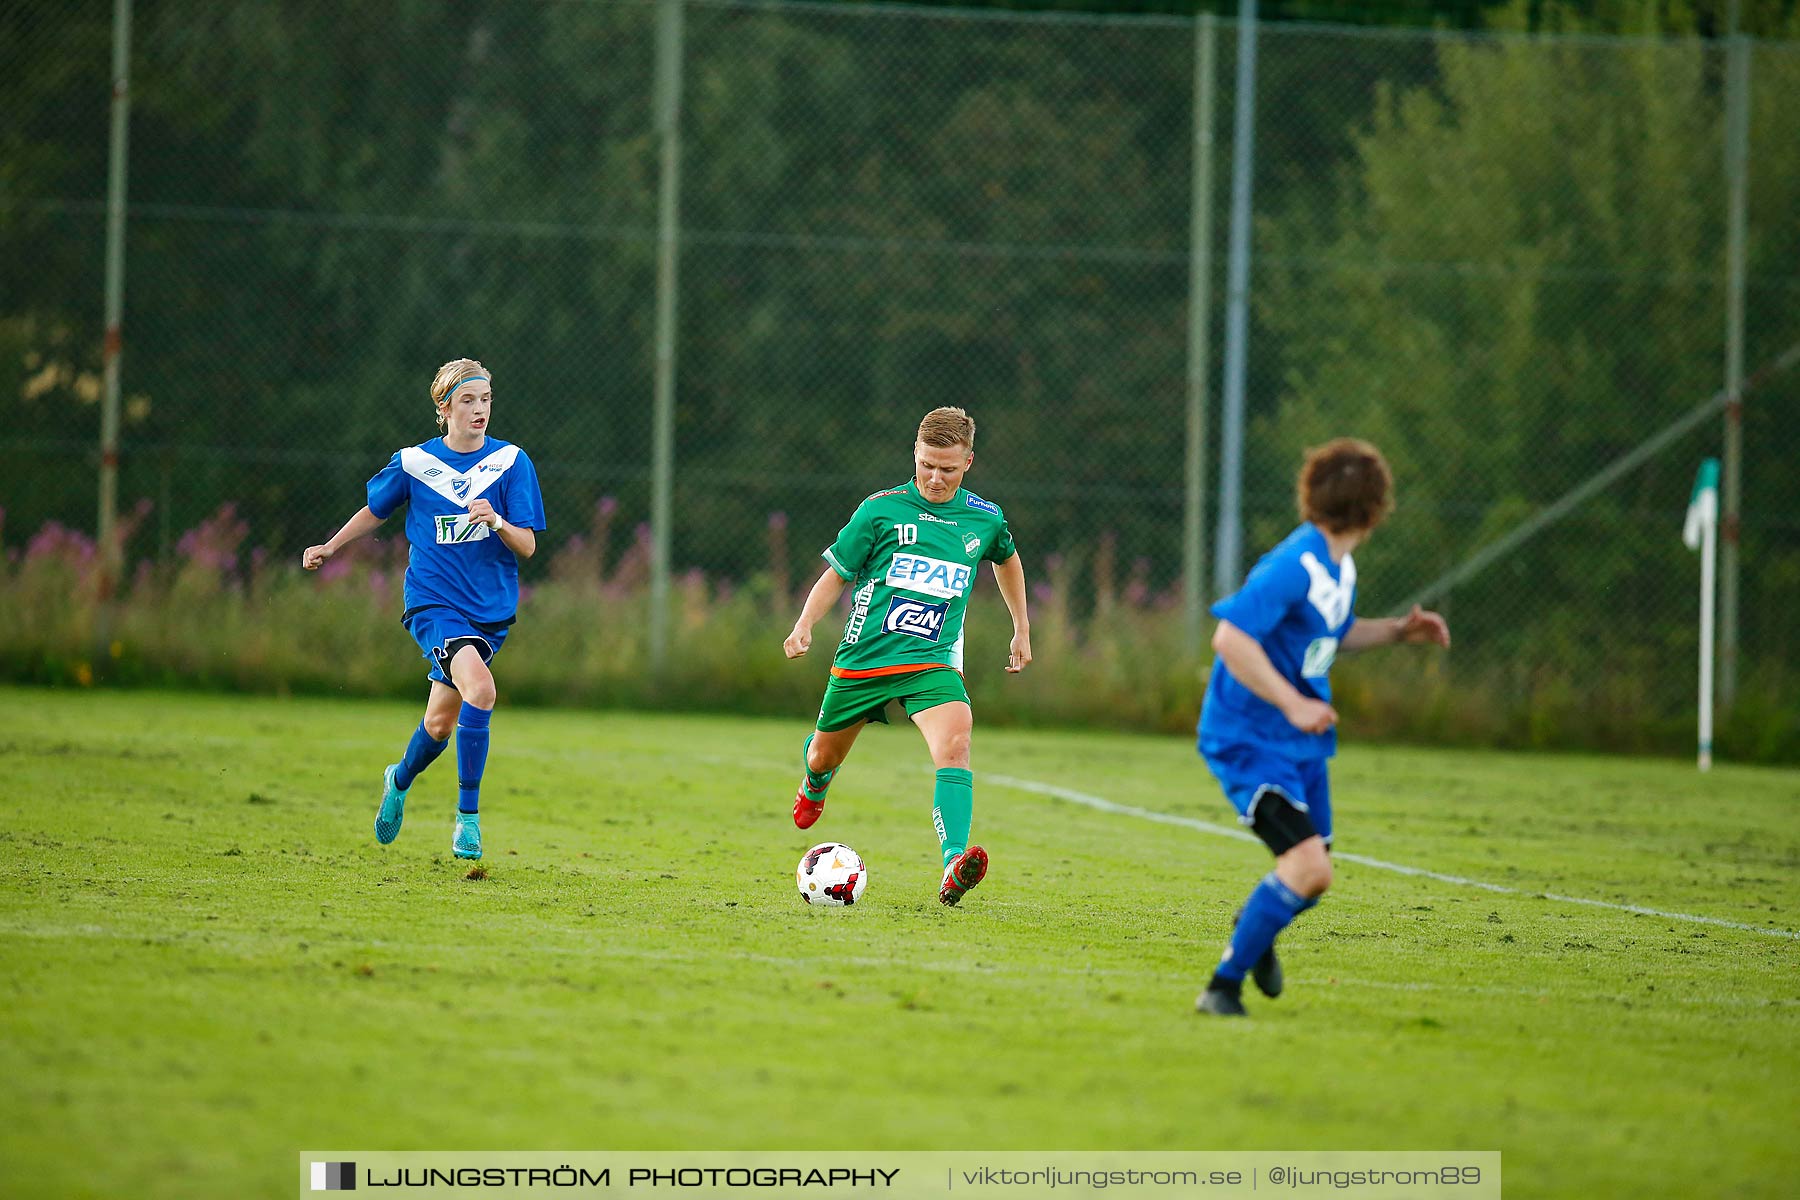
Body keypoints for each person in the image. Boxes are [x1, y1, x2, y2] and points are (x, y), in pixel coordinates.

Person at [1194, 438, 1449, 1016]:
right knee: (1309, 869)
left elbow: (1329, 633)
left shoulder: (1336, 564)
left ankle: (1254, 925)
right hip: (1248, 739)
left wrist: (1394, 633)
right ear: (1376, 508)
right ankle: (1222, 988)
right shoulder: (1292, 566)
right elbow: (1230, 639)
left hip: (1296, 743)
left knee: (1313, 873)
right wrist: (1292, 703)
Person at [783, 407, 1032, 906]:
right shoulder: (880, 510)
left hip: (932, 664)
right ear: (914, 456)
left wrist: (1021, 627)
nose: (936, 478)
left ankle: (953, 863)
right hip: (862, 664)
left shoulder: (983, 518)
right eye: (927, 466)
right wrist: (805, 623)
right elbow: (837, 574)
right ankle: (815, 781)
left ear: (969, 462)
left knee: (956, 745)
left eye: (948, 469)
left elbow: (1006, 557)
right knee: (823, 753)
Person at [302, 358, 546, 861]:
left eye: (485, 400)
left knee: (439, 723)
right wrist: (331, 545)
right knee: (481, 689)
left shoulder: (511, 463)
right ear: (444, 407)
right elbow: (376, 511)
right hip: (434, 605)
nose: (479, 410)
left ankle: (399, 778)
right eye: (467, 401)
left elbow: (527, 546)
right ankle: (468, 820)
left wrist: (497, 521)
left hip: (489, 613)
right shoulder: (416, 464)